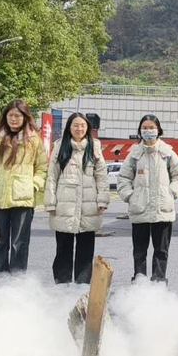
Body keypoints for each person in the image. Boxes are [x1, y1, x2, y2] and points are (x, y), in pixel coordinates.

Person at [117, 114, 178, 283]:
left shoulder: (167, 153)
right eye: (145, 127)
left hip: (162, 210)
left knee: (161, 250)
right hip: (139, 209)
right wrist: (130, 196)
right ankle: (140, 284)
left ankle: (158, 284)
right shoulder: (134, 154)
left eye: (151, 127)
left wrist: (171, 192)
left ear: (158, 130)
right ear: (140, 130)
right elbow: (123, 178)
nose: (148, 131)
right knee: (139, 251)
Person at [0, 99, 48, 274]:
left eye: (18, 115)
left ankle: (17, 283)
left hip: (22, 199)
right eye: (10, 115)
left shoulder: (34, 140)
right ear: (5, 116)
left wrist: (33, 185)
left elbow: (42, 168)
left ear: (25, 117)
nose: (14, 119)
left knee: (19, 243)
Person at [45, 112, 109, 284]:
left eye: (82, 125)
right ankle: (62, 286)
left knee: (86, 251)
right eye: (75, 125)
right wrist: (50, 202)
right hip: (65, 205)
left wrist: (102, 200)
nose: (79, 128)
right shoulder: (60, 146)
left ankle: (82, 288)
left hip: (89, 205)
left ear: (87, 127)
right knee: (63, 249)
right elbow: (52, 176)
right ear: (69, 127)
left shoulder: (94, 146)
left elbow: (101, 175)